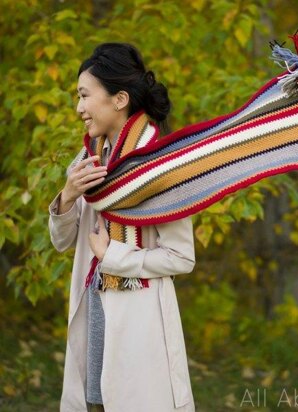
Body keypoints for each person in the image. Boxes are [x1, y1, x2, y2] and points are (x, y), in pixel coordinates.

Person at [48, 43, 196, 412]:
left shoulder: (160, 168)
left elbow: (182, 258)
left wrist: (115, 256)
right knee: (94, 403)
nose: (78, 107)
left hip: (139, 323)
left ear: (119, 99)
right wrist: (66, 196)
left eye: (85, 95)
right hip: (94, 306)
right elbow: (62, 242)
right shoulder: (89, 159)